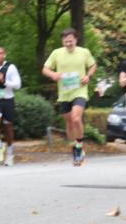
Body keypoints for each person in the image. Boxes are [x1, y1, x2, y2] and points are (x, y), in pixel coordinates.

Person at [42, 28, 97, 166]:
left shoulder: (84, 52)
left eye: (71, 41)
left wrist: (88, 76)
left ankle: (79, 147)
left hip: (80, 91)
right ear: (63, 41)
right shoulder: (57, 53)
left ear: (76, 40)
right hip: (64, 93)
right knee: (69, 122)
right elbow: (45, 69)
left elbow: (93, 65)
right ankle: (74, 147)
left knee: (76, 118)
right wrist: (52, 75)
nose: (68, 44)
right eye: (66, 42)